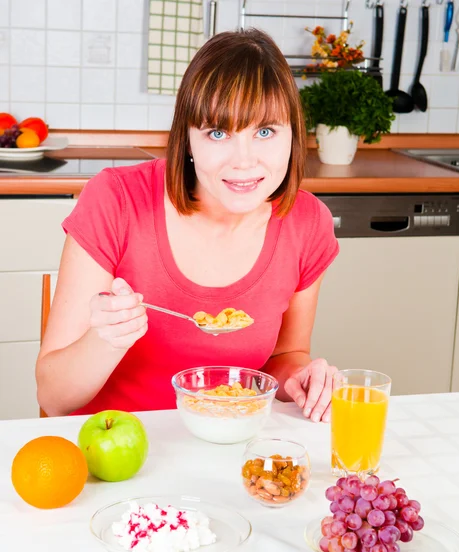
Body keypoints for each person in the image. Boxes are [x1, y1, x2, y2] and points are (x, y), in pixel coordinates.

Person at [36, 28, 339, 422]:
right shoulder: (117, 201)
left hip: (232, 447)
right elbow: (54, 397)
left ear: (292, 136)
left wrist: (302, 377)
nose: (244, 161)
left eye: (265, 132)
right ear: (188, 141)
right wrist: (105, 340)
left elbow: (285, 356)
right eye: (218, 133)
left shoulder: (306, 222)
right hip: (115, 458)